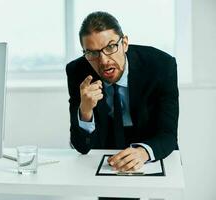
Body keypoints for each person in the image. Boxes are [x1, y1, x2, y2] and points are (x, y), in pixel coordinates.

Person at [66, 11, 179, 200]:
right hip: (108, 150)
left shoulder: (161, 65)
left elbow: (168, 134)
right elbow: (81, 147)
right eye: (92, 53)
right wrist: (85, 110)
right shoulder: (77, 71)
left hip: (150, 145)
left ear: (124, 43)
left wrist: (143, 152)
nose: (103, 60)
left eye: (110, 47)